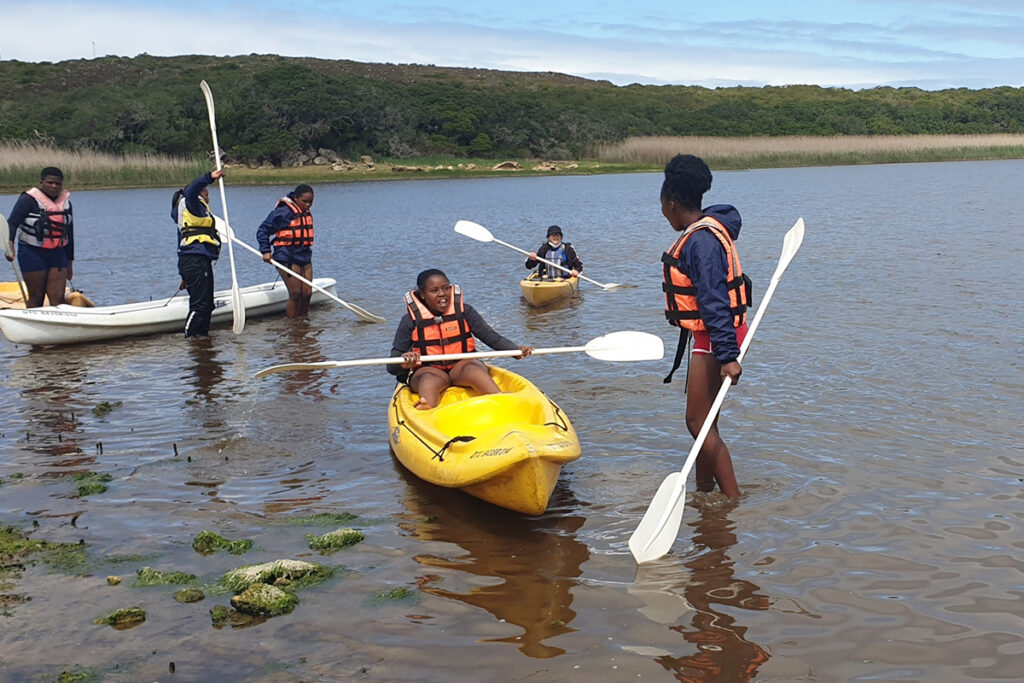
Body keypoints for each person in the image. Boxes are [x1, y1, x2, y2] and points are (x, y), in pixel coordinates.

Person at [660, 154, 751, 499]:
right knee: (706, 422)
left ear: (670, 201)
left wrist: (727, 355)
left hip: (717, 335)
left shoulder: (700, 240)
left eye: (662, 203)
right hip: (716, 333)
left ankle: (732, 502)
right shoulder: (706, 230)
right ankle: (704, 492)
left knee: (696, 422)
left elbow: (714, 300)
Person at [389, 269, 533, 409]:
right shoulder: (409, 321)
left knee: (474, 370)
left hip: (462, 367)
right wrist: (404, 362)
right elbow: (391, 366)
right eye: (434, 291)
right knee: (428, 380)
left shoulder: (465, 311)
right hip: (429, 370)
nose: (442, 294)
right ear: (422, 295)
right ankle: (427, 405)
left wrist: (516, 350)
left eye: (446, 288)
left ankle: (499, 397)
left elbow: (491, 337)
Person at [4, 167, 74, 308]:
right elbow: (12, 223)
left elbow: (69, 233)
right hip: (32, 252)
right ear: (42, 182)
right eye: (50, 182)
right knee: (37, 297)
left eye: (58, 183)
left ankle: (60, 327)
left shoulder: (66, 203)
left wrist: (69, 261)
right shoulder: (27, 200)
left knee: (58, 299)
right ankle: (31, 326)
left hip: (58, 253)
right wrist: (9, 245)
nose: (54, 186)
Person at [171, 169, 224, 337]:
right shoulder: (191, 203)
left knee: (208, 304)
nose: (209, 198)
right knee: (200, 304)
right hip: (194, 260)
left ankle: (203, 340)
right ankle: (190, 336)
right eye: (207, 193)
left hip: (198, 261)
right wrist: (209, 177)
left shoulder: (194, 211)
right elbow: (192, 190)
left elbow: (180, 244)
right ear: (204, 192)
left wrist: (184, 276)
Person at [256, 184, 315, 318]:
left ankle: (303, 323)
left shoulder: (305, 212)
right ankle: (293, 324)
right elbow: (263, 230)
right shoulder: (284, 212)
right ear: (296, 198)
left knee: (307, 293)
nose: (308, 205)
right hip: (286, 255)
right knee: (295, 293)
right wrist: (266, 251)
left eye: (310, 202)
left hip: (304, 255)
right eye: (304, 201)